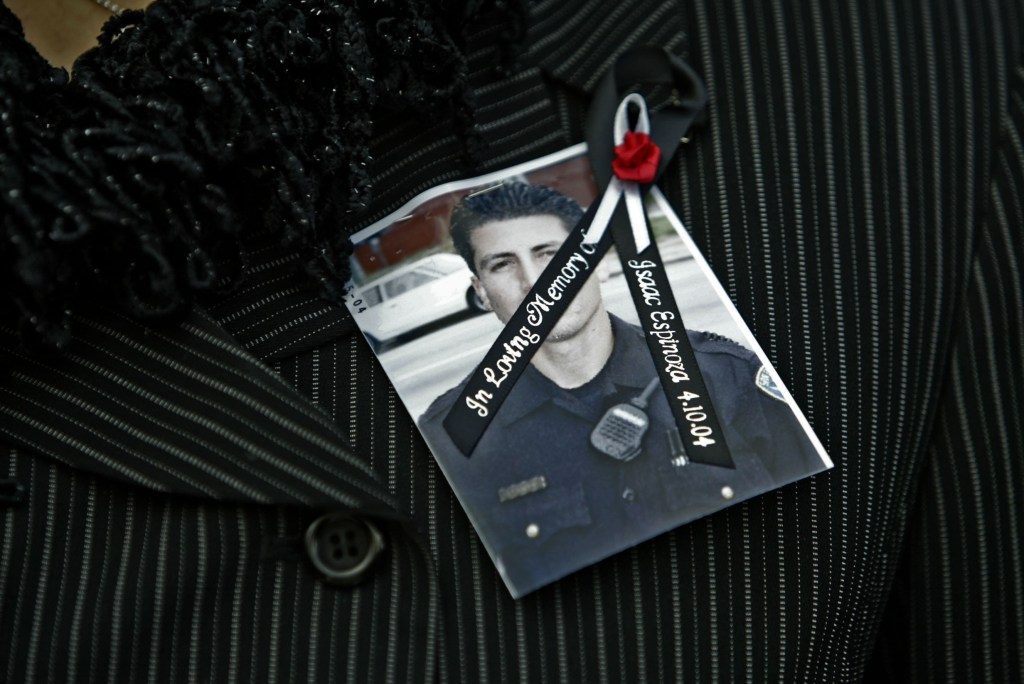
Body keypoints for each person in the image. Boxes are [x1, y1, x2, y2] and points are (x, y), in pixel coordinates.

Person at [418, 182, 825, 596]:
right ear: (481, 292)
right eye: (502, 264)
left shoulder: (724, 374)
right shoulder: (450, 436)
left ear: (601, 263)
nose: (534, 282)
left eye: (550, 254)